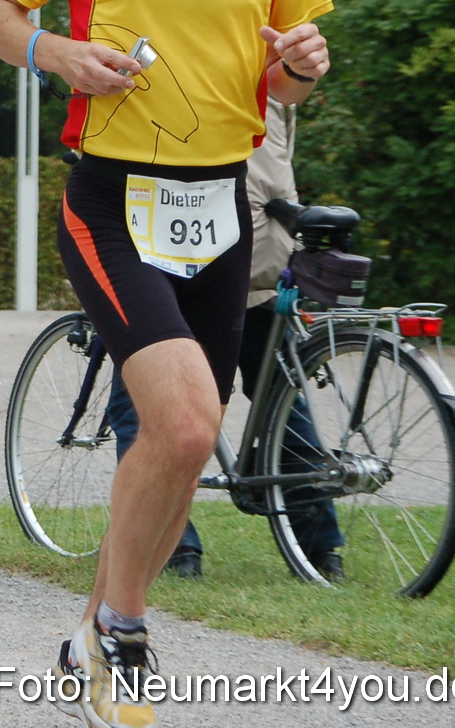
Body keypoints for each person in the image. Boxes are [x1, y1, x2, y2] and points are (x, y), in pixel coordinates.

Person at [0, 0, 331, 728]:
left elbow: (292, 80)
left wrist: (304, 67)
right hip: (114, 197)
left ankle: (88, 633)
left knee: (192, 430)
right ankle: (123, 633)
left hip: (225, 202)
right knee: (177, 417)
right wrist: (55, 53)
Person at [107, 97, 343, 581]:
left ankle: (175, 550)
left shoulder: (176, 67)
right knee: (280, 400)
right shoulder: (268, 73)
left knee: (143, 405)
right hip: (268, 250)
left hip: (190, 254)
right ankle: (321, 550)